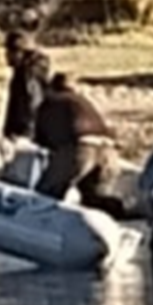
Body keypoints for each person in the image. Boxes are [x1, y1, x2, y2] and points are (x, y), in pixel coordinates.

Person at [32, 73, 125, 217]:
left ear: (51, 87)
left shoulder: (51, 101)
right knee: (94, 198)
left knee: (46, 194)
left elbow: (41, 137)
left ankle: (40, 228)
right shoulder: (84, 102)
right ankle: (120, 218)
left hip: (81, 149)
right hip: (109, 151)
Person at [2, 30, 51, 141]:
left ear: (21, 53)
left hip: (27, 134)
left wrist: (23, 135)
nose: (6, 55)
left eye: (10, 51)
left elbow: (32, 105)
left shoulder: (28, 75)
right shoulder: (26, 72)